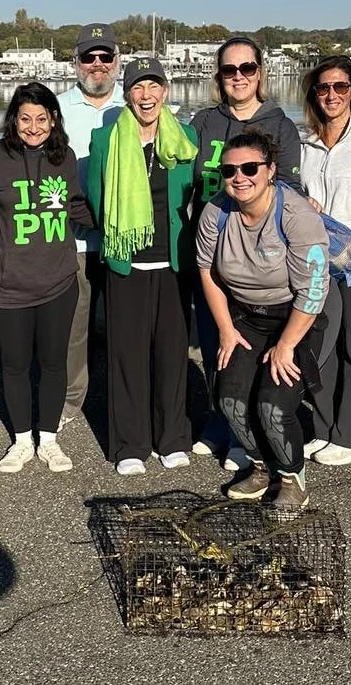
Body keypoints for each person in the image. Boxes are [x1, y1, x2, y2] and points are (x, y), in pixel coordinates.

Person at [196, 129, 330, 507]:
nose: (239, 177)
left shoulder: (296, 216)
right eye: (229, 170)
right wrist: (225, 328)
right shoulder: (216, 213)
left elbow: (314, 290)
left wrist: (287, 345)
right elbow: (206, 270)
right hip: (245, 318)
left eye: (250, 168)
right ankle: (260, 465)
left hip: (295, 318)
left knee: (272, 406)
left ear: (270, 169)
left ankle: (292, 477)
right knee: (231, 402)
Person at [190, 36, 303, 468]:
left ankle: (251, 435)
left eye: (247, 68)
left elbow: (291, 189)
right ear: (218, 77)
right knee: (215, 338)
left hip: (260, 254)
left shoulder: (279, 125)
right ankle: (224, 422)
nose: (238, 77)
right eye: (228, 70)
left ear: (260, 72)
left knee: (250, 343)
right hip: (211, 246)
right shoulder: (203, 121)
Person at [86, 57, 198, 475]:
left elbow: (194, 196)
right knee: (127, 356)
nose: (146, 96)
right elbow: (96, 197)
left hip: (173, 261)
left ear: (165, 91)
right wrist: (122, 236)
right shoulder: (105, 140)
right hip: (127, 262)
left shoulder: (185, 138)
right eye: (137, 88)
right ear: (126, 93)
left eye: (153, 86)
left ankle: (171, 437)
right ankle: (130, 444)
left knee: (171, 355)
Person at [0, 83, 94, 473]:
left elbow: (76, 206)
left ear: (53, 120)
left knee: (53, 362)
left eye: (41, 119)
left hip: (58, 281)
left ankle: (48, 438)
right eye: (25, 118)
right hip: (7, 284)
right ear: (14, 119)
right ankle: (20, 440)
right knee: (14, 365)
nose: (33, 127)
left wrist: (115, 218)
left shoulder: (64, 159)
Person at [298, 56, 351, 466]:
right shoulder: (307, 143)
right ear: (313, 94)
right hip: (319, 254)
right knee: (321, 345)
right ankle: (324, 427)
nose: (332, 95)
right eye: (323, 88)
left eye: (341, 87)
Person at [56, 23, 125, 429]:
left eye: (105, 57)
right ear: (76, 62)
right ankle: (69, 401)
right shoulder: (58, 108)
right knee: (73, 330)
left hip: (124, 241)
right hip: (74, 240)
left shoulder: (136, 104)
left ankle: (123, 400)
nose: (97, 66)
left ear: (118, 62)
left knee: (124, 327)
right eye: (89, 57)